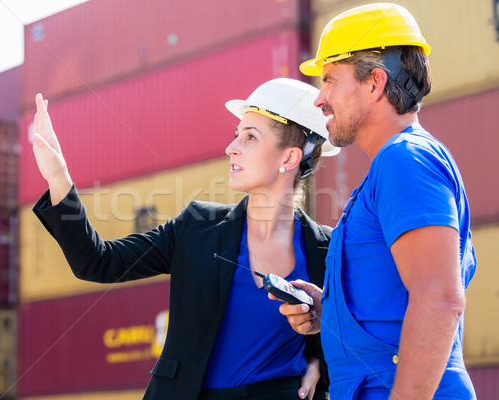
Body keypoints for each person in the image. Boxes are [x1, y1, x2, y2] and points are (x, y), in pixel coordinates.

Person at [31, 77, 340, 400]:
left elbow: (356, 336)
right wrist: (58, 176)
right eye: (237, 135)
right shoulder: (197, 228)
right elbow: (98, 262)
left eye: (249, 137)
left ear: (289, 159)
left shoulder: (327, 248)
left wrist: (318, 360)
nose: (231, 147)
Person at [276, 3, 477, 399]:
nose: (320, 99)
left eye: (330, 80)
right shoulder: (394, 165)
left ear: (374, 83)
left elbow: (439, 297)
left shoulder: (406, 160)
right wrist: (331, 312)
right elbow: (399, 296)